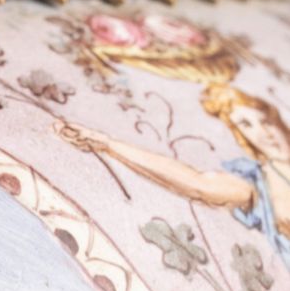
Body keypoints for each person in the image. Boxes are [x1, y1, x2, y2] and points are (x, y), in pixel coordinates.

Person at [56, 86, 290, 266]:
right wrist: (108, 144)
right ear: (241, 135)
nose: (264, 133)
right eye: (247, 125)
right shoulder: (256, 186)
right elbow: (195, 182)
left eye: (266, 121)